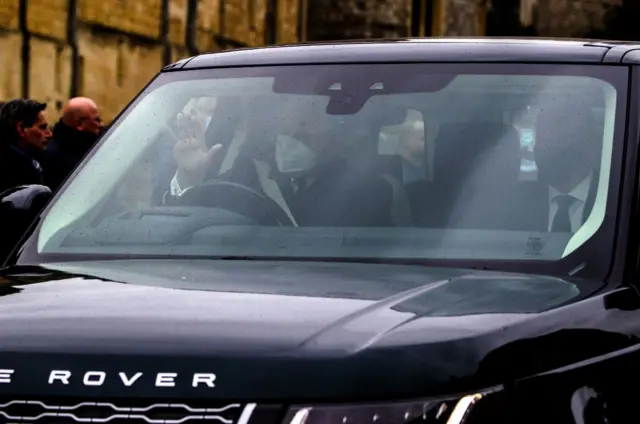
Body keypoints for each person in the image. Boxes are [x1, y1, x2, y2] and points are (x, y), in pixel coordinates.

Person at [163, 99, 400, 227]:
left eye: (305, 129)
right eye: (288, 130)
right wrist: (189, 177)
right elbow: (186, 228)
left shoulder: (369, 192)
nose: (296, 134)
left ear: (333, 132)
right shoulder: (244, 176)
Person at [523, 100, 602, 233]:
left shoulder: (615, 199)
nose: (542, 149)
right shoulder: (515, 201)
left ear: (588, 144)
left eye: (561, 140)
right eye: (542, 140)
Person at [41, 97, 103, 192]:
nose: (100, 124)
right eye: (97, 120)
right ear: (79, 123)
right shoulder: (54, 156)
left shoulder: (93, 145)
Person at [0, 99, 52, 194]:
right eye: (42, 127)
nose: (49, 134)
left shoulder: (30, 160)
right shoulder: (15, 169)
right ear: (20, 129)